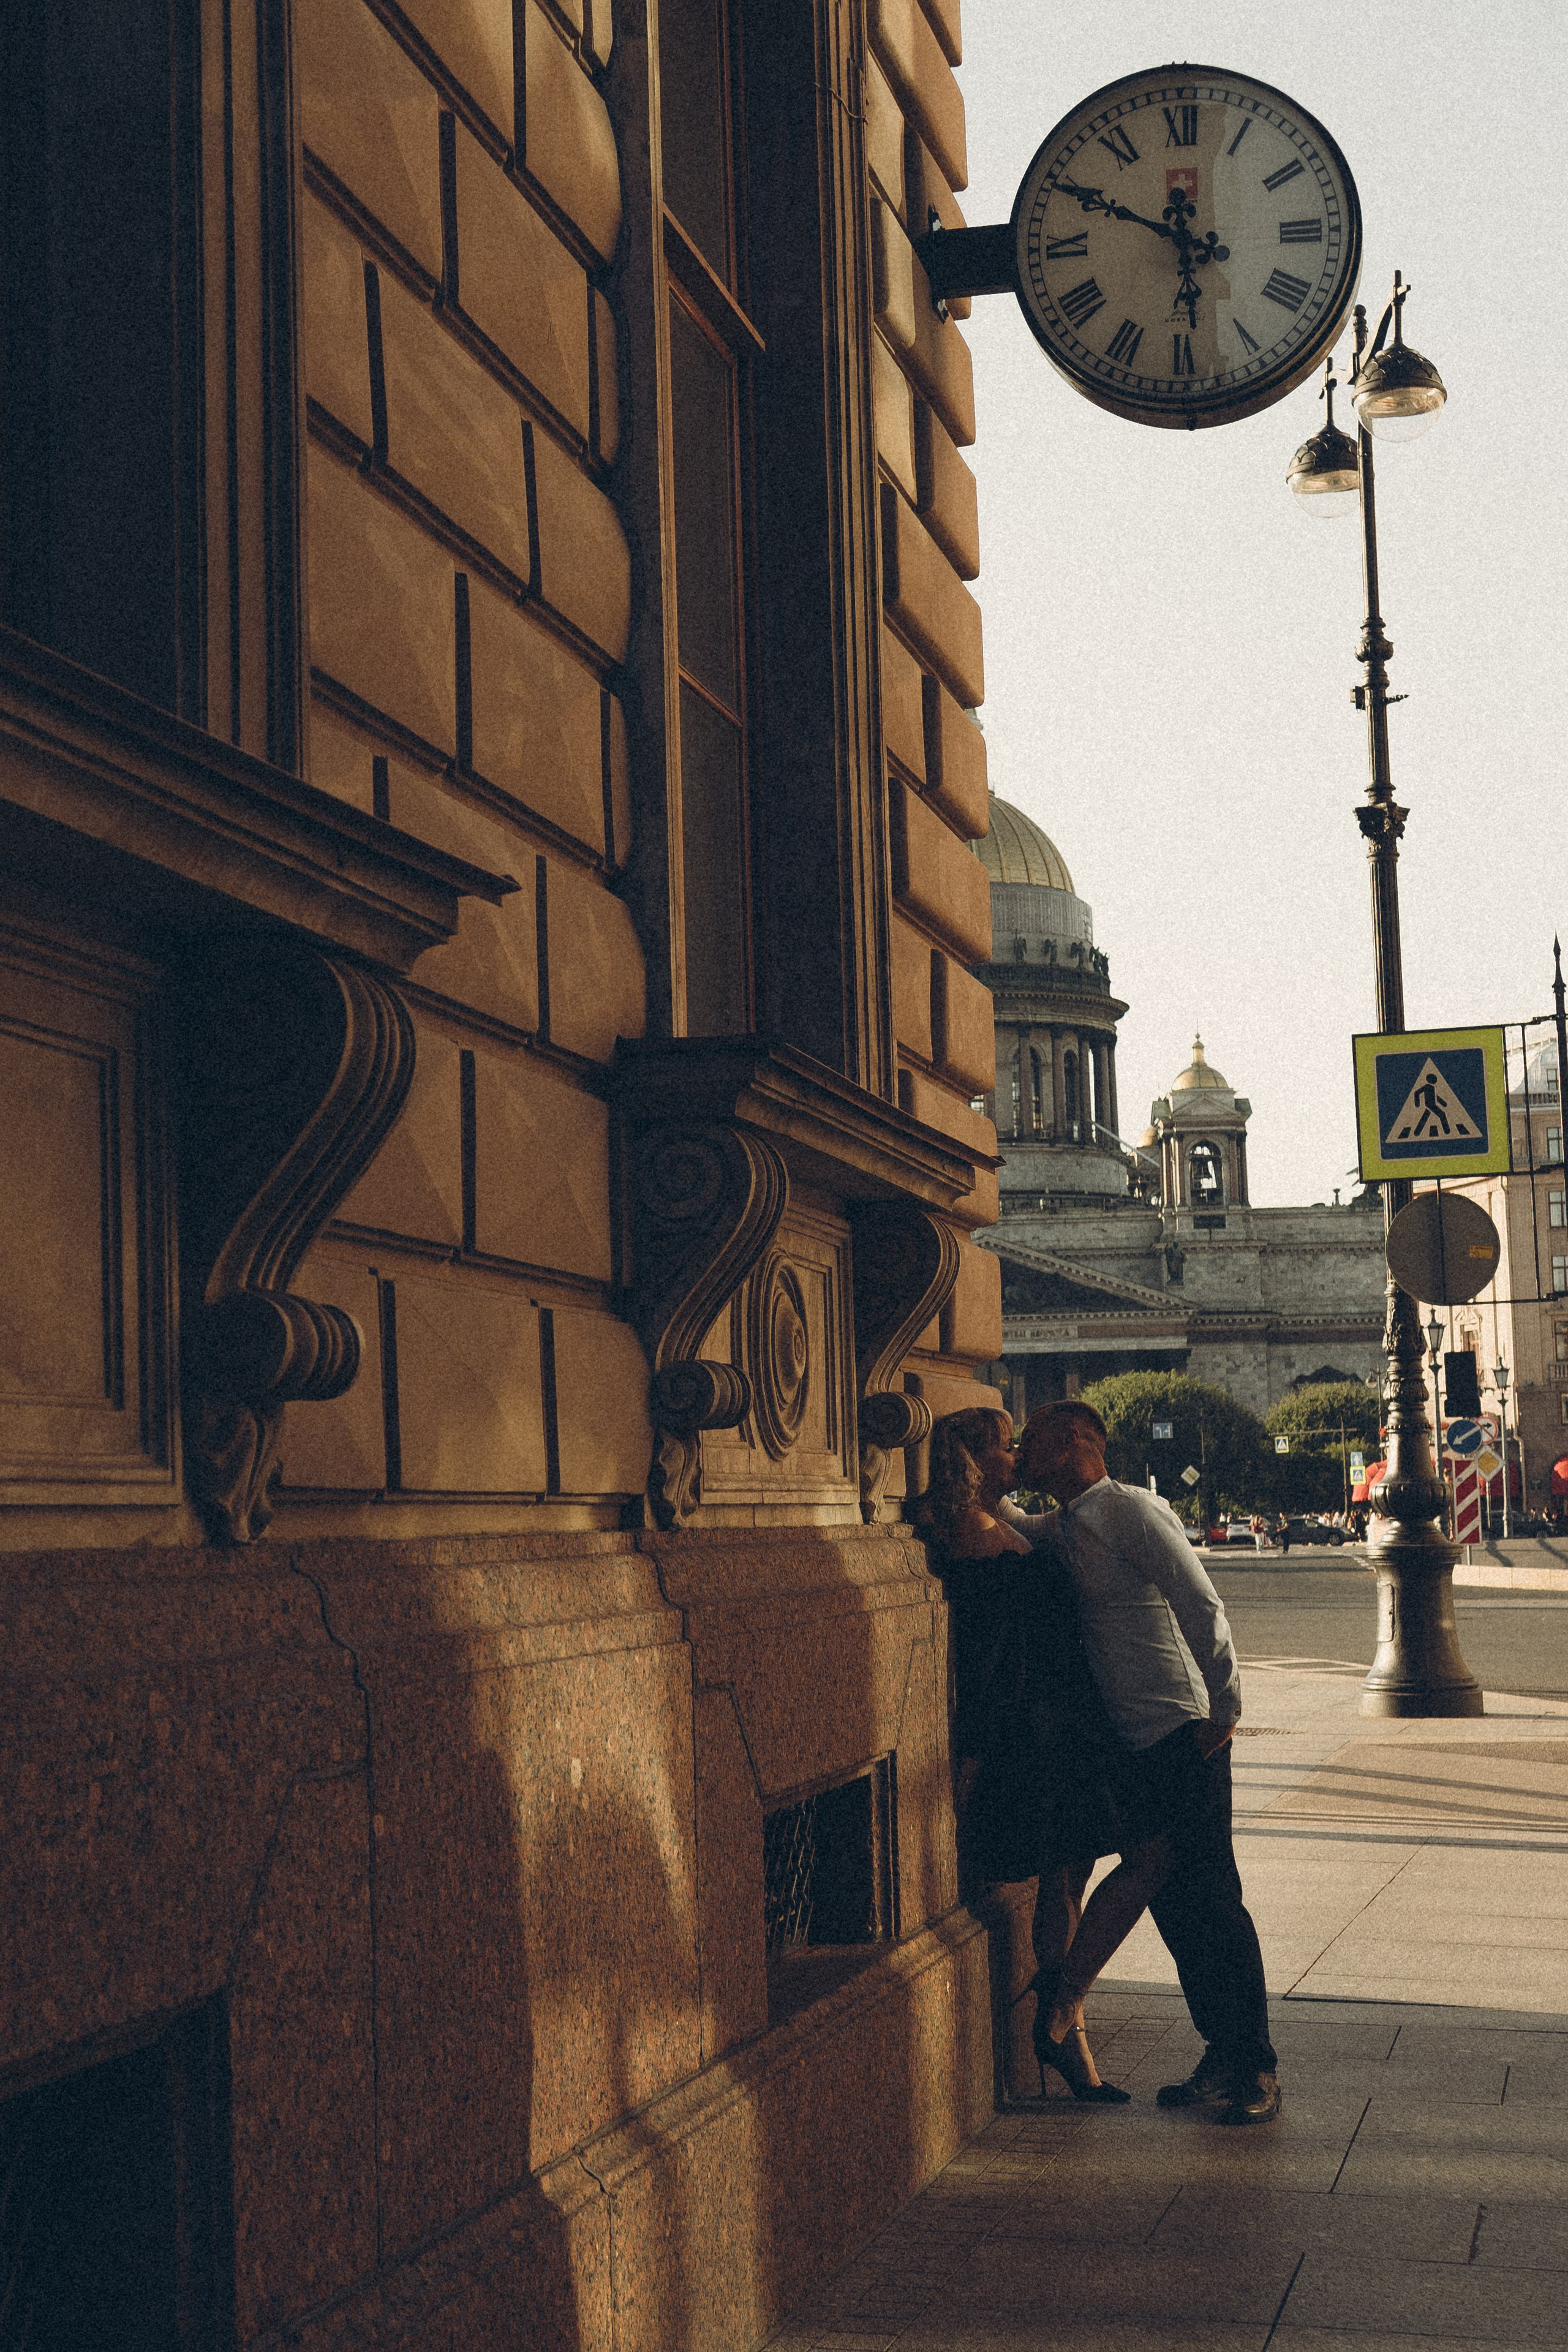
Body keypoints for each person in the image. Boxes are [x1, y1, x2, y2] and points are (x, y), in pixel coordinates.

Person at [1017, 1400, 1281, 2127]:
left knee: (1212, 1901)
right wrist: (967, 1489)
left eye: (1030, 1439)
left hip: (1181, 1728)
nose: (1019, 1449)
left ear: (1073, 1440)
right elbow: (1016, 1525)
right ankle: (1220, 2053)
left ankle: (1253, 2064)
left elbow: (1201, 1603)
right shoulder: (1069, 1521)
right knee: (1172, 1904)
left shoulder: (1130, 1509)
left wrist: (1225, 1708)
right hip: (1131, 1740)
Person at [914, 1407, 1169, 2103]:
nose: (1016, 1452)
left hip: (1062, 1720)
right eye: (1003, 1445)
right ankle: (1063, 2031)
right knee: (1099, 1869)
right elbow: (990, 1653)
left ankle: (1064, 2031)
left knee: (1071, 1881)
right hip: (1035, 1727)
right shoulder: (973, 1530)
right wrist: (974, 1759)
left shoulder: (1002, 1519)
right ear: (970, 1460)